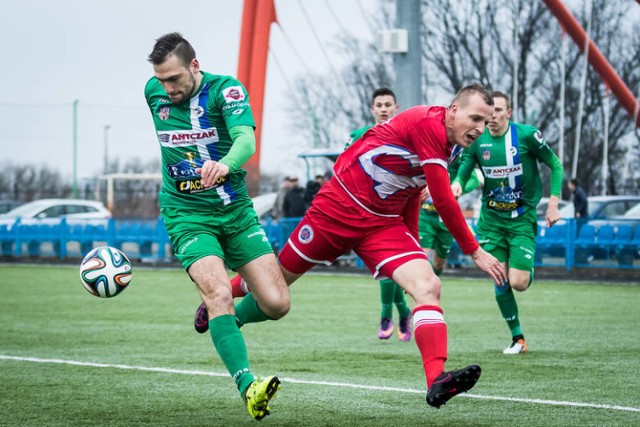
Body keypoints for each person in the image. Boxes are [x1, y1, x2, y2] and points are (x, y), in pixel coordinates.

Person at [200, 83, 507, 409]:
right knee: (274, 288)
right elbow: (443, 199)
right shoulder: (427, 123)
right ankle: (227, 303)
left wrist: (413, 246)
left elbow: (414, 190)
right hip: (336, 210)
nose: (479, 129)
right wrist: (474, 249)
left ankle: (437, 380)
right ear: (454, 110)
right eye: (475, 118)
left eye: (485, 123)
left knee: (428, 285)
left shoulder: (454, 144)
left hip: (382, 225)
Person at [144, 32, 290, 420]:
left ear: (194, 66)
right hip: (187, 214)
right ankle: (249, 386)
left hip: (236, 211)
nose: (167, 88)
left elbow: (246, 139)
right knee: (219, 291)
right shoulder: (153, 92)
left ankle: (226, 319)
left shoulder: (227, 91)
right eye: (161, 80)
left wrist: (226, 163)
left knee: (277, 304)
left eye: (173, 78)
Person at [452, 91, 563, 355]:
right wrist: (456, 185)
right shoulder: (478, 141)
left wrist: (553, 203)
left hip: (522, 218)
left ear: (509, 113)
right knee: (499, 278)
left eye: (499, 111)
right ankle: (518, 339)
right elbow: (465, 168)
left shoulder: (526, 136)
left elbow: (555, 165)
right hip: (492, 221)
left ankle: (524, 268)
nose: (493, 117)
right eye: (490, 112)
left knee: (519, 282)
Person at [349, 87, 412, 341]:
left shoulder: (407, 135)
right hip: (368, 212)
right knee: (386, 269)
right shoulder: (358, 136)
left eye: (388, 104)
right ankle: (404, 312)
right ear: (372, 109)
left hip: (398, 211)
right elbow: (345, 167)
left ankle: (386, 315)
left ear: (396, 108)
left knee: (389, 268)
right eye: (379, 105)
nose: (384, 109)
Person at [419, 159, 483, 276]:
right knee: (422, 260)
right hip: (426, 216)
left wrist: (456, 189)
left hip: (446, 218)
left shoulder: (457, 154)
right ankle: (424, 288)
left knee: (439, 264)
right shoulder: (428, 153)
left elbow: (474, 180)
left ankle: (433, 281)